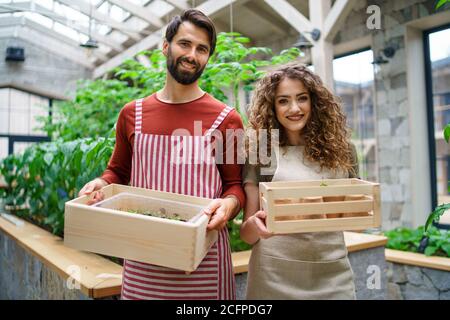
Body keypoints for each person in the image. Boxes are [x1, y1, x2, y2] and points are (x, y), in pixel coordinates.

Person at [78, 9, 245, 300]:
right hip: (143, 260)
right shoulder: (132, 114)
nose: (192, 55)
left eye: (202, 49)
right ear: (166, 46)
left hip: (203, 263)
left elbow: (235, 187)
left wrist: (229, 206)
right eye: (185, 44)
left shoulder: (226, 118)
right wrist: (100, 184)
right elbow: (117, 172)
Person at [240, 63, 359, 300]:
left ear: (314, 101)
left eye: (302, 98)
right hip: (275, 275)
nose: (294, 108)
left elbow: (355, 217)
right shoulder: (262, 153)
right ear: (272, 107)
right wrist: (257, 225)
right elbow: (247, 234)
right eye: (283, 100)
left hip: (332, 271)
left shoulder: (344, 151)